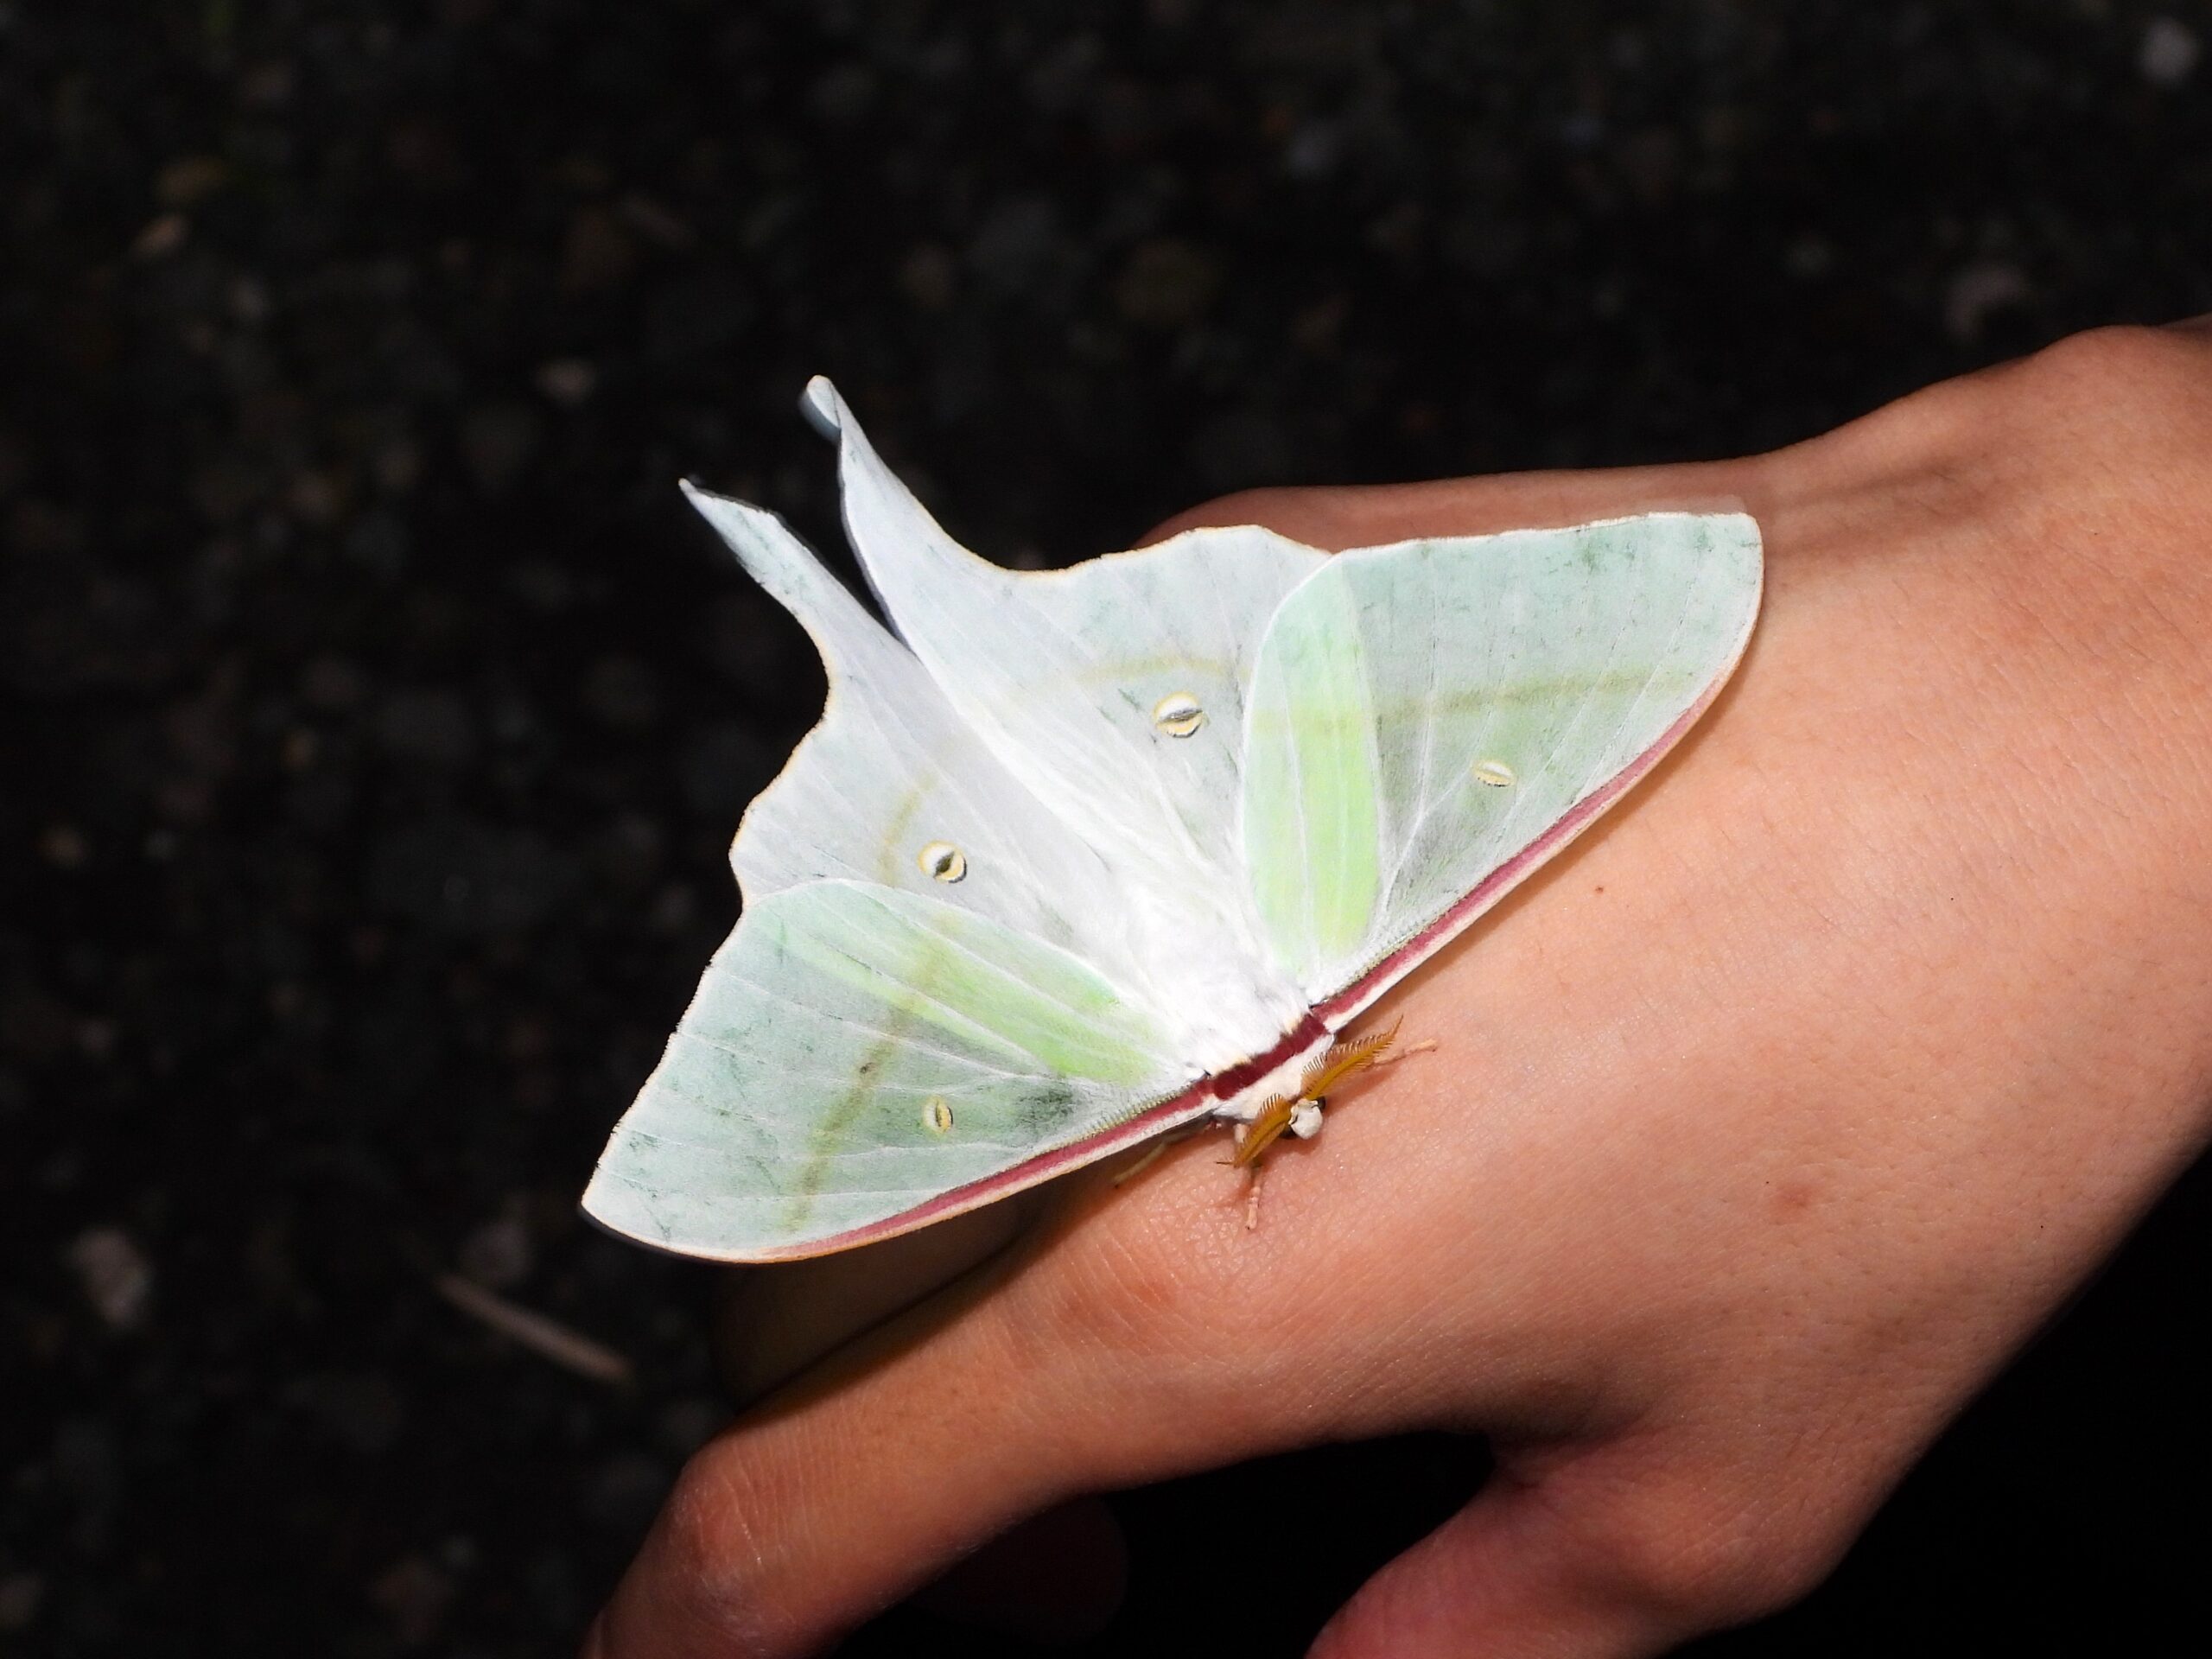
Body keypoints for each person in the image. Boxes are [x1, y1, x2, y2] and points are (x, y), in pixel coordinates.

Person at [586, 320, 2212, 1657]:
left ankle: (795, 524)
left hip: (1092, 810)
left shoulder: (1206, 1066)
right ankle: (802, 516)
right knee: (885, 598)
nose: (1288, 1103)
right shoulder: (1336, 974)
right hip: (1143, 787)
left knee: (874, 614)